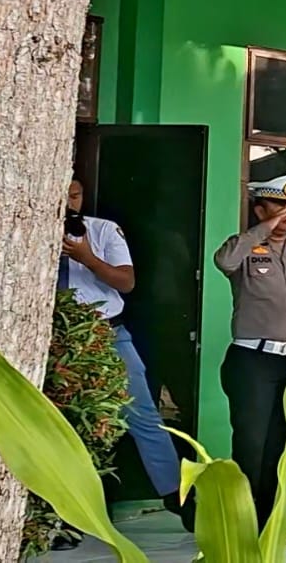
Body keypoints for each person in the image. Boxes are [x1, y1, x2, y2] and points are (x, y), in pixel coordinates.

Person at [59, 178, 193, 538]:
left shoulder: (102, 231)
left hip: (108, 333)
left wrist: (87, 257)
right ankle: (68, 517)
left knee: (143, 416)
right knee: (66, 424)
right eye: (63, 195)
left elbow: (126, 282)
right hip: (57, 341)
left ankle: (176, 497)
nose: (70, 202)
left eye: (75, 195)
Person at [213, 174, 286, 543]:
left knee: (284, 445)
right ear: (260, 210)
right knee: (252, 445)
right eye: (277, 207)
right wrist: (262, 229)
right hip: (253, 362)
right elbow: (223, 260)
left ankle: (276, 520)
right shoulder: (245, 251)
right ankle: (243, 523)